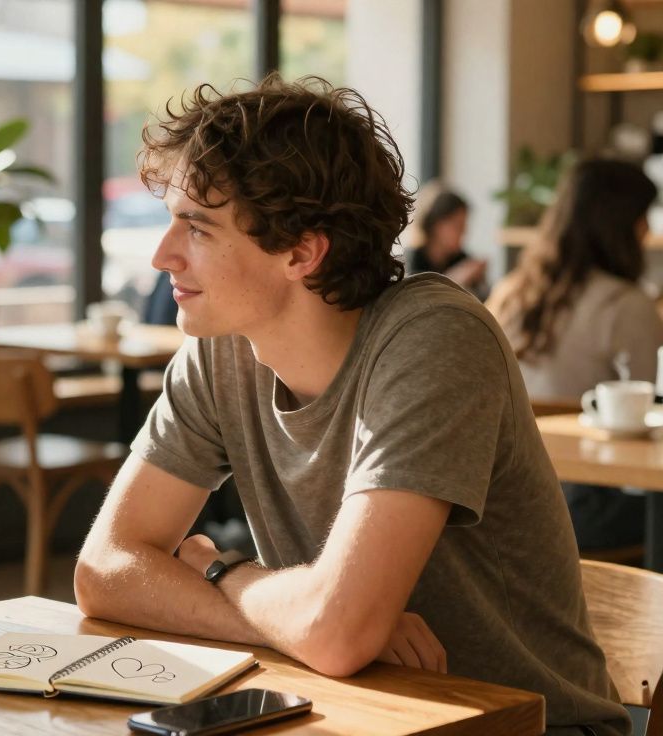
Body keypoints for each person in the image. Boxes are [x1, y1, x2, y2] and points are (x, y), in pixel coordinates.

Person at [74, 76, 629, 736]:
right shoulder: (220, 350)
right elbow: (104, 571)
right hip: (351, 707)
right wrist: (298, 619)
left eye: (196, 227)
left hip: (530, 726)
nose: (163, 255)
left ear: (302, 252)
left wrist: (220, 569)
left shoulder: (435, 338)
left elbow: (336, 633)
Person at [488, 159, 663, 553]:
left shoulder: (510, 293)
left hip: (498, 506)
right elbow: (646, 412)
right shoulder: (626, 304)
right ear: (619, 223)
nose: (648, 230)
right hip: (577, 513)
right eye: (642, 217)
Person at [407, 184, 488, 298]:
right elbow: (418, 300)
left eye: (464, 226)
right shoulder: (411, 261)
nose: (464, 232)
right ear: (435, 225)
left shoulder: (462, 259)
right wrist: (457, 278)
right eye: (457, 226)